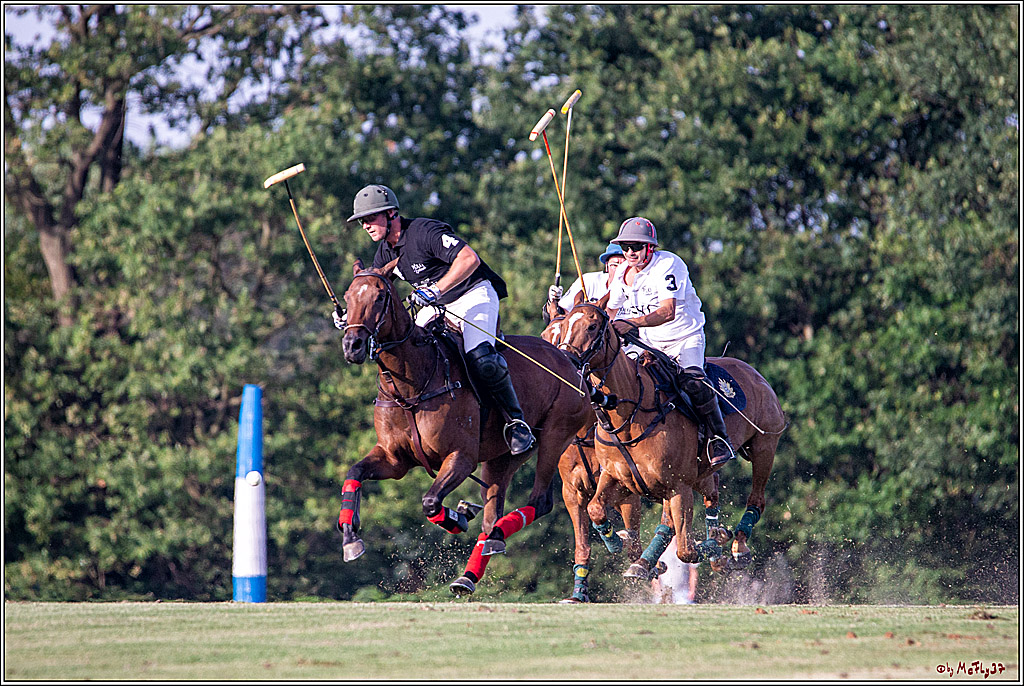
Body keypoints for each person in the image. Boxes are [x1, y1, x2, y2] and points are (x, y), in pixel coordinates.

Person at [341, 184, 535, 455]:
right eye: (362, 221)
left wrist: (436, 289)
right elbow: (372, 290)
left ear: (392, 214)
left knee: (482, 358)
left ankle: (515, 422)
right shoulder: (385, 252)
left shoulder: (424, 232)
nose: (366, 225)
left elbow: (469, 258)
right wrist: (352, 316)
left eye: (371, 218)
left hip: (473, 293)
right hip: (436, 305)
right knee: (412, 350)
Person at [605, 216, 735, 468]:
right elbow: (609, 311)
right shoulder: (621, 272)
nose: (630, 252)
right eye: (625, 247)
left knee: (693, 382)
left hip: (684, 339)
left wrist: (631, 323)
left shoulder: (669, 264)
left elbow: (667, 311)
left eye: (636, 246)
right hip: (649, 344)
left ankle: (719, 438)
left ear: (649, 247)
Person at [542, 243, 627, 324]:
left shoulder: (639, 285)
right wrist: (553, 301)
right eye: (614, 265)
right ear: (607, 266)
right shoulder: (588, 281)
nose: (619, 270)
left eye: (624, 266)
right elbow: (563, 314)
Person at [652, 536, 699, 604]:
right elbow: (655, 573)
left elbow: (693, 572)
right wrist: (657, 591)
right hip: (664, 591)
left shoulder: (686, 551)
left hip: (683, 592)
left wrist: (692, 590)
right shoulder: (661, 553)